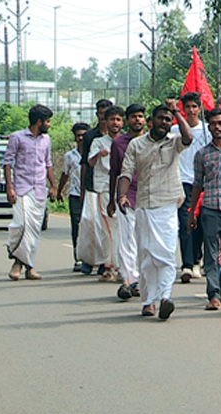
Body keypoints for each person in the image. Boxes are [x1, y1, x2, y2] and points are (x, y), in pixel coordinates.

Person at [118, 100, 193, 320]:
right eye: (160, 118)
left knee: (166, 254)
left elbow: (189, 138)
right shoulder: (136, 145)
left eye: (168, 120)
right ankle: (148, 301)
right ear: (151, 121)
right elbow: (126, 172)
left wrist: (177, 112)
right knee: (146, 255)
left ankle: (165, 298)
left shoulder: (175, 143)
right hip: (143, 206)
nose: (164, 122)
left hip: (168, 205)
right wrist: (121, 196)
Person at [187, 108, 221, 311]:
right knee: (210, 253)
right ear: (209, 127)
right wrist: (192, 212)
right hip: (209, 209)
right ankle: (214, 293)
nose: (217, 127)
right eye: (214, 124)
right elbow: (197, 184)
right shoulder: (201, 154)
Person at [3, 104, 56, 281]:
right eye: (47, 121)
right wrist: (10, 187)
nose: (49, 125)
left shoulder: (46, 140)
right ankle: (17, 261)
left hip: (39, 189)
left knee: (34, 229)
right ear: (39, 121)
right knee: (21, 225)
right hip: (21, 188)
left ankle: (28, 266)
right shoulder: (17, 137)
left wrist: (53, 186)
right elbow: (8, 163)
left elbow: (47, 163)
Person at [173, 92, 211, 283]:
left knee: (203, 225)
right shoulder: (175, 129)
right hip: (183, 182)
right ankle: (187, 264)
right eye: (187, 107)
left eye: (194, 106)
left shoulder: (207, 131)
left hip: (204, 183)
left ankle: (197, 259)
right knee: (186, 222)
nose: (191, 110)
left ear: (199, 108)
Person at [109, 104, 146, 301]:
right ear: (127, 120)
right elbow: (114, 173)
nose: (137, 120)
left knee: (143, 241)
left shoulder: (152, 142)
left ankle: (140, 280)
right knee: (126, 240)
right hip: (126, 198)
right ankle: (127, 279)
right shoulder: (118, 144)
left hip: (148, 198)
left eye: (140, 116)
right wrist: (111, 199)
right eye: (133, 117)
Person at [83, 106, 124, 282]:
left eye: (118, 119)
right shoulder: (99, 142)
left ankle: (122, 266)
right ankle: (109, 266)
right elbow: (89, 162)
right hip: (105, 188)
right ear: (105, 122)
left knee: (124, 228)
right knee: (108, 228)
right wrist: (99, 155)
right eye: (112, 119)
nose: (115, 123)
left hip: (124, 189)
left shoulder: (127, 141)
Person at [79, 98, 113, 276]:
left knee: (108, 225)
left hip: (113, 186)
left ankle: (105, 261)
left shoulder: (121, 137)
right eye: (101, 114)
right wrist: (84, 188)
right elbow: (85, 162)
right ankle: (88, 259)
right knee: (90, 223)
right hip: (94, 185)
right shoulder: (91, 136)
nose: (103, 118)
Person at [57, 122, 90, 272]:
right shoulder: (70, 156)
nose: (81, 138)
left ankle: (92, 258)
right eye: (78, 136)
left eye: (84, 135)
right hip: (75, 195)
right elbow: (65, 174)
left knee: (91, 226)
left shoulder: (93, 153)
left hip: (91, 194)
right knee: (77, 227)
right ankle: (78, 258)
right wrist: (59, 191)